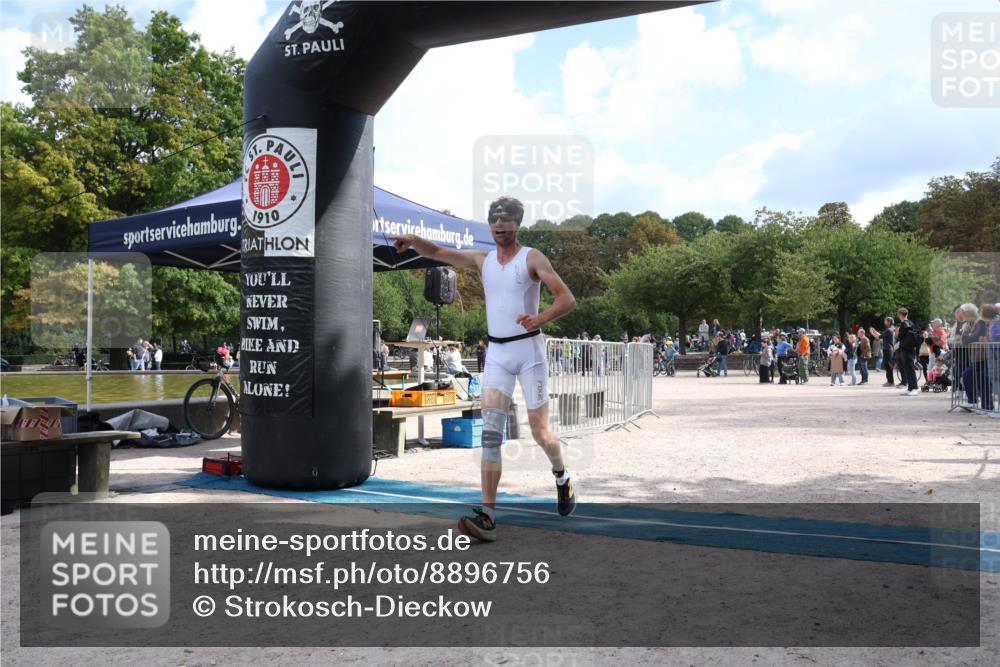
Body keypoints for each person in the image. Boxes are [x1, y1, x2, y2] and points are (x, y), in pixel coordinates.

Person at [391, 196, 577, 542]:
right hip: (497, 353)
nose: (499, 224)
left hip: (529, 350)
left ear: (518, 224)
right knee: (491, 433)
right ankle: (488, 515)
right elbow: (441, 253)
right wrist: (414, 241)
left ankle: (562, 476)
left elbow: (567, 299)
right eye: (494, 219)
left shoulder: (532, 258)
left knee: (540, 432)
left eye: (506, 219)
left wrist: (540, 317)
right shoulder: (483, 260)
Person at [960, 303, 993, 410]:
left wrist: (965, 334)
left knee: (968, 375)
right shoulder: (973, 323)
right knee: (982, 381)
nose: (961, 314)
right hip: (978, 357)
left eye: (963, 312)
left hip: (983, 357)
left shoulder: (980, 322)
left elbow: (967, 340)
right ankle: (986, 406)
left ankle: (974, 402)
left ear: (968, 313)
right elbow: (969, 339)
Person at [895, 308, 921, 395]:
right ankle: (910, 388)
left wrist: (898, 333)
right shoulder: (910, 323)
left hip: (906, 349)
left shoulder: (903, 324)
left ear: (900, 314)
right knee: (908, 369)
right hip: (910, 348)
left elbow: (901, 337)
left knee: (910, 369)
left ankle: (914, 388)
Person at [870, 318, 895, 387]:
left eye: (885, 321)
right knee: (888, 366)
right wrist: (875, 331)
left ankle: (890, 382)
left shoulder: (888, 330)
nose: (884, 322)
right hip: (889, 349)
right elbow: (882, 335)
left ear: (889, 322)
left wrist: (872, 333)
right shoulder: (892, 329)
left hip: (887, 349)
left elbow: (878, 337)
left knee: (888, 366)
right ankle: (890, 381)